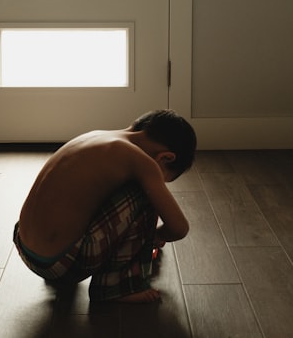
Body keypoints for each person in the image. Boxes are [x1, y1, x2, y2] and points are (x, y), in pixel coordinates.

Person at [13, 109, 197, 303]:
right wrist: (153, 237)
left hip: (25, 248)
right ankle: (115, 288)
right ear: (166, 157)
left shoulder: (99, 136)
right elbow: (179, 228)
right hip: (61, 266)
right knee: (147, 194)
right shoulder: (143, 163)